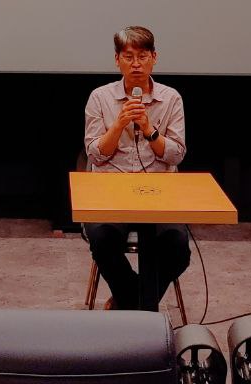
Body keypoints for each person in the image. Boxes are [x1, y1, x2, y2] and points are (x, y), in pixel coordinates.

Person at [83, 25, 190, 311]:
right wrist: (118, 124)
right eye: (129, 57)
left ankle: (127, 303)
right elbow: (95, 155)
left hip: (159, 193)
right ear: (117, 60)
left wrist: (150, 130)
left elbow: (176, 155)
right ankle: (140, 304)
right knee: (102, 240)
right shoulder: (100, 98)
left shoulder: (171, 98)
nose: (136, 64)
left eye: (143, 57)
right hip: (110, 191)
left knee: (178, 247)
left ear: (154, 58)